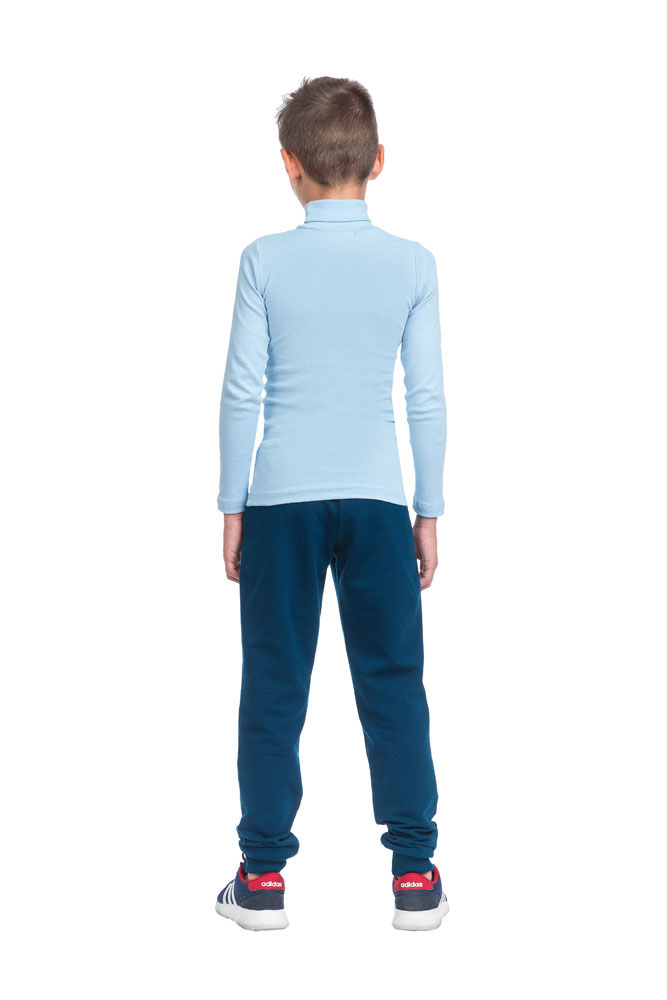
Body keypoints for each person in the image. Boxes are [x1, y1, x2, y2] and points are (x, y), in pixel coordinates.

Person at [215, 76, 448, 932]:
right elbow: (425, 398)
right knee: (393, 682)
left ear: (289, 164)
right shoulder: (412, 264)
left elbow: (241, 392)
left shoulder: (263, 260)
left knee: (274, 684)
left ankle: (261, 879)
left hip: (281, 502)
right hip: (378, 502)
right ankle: (414, 875)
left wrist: (231, 504)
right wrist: (427, 510)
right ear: (377, 161)